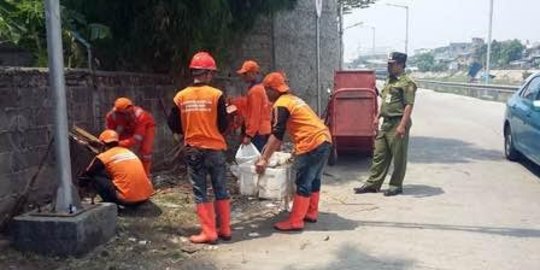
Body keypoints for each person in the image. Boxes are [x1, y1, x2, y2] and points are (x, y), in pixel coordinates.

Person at [255, 72, 332, 231]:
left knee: (303, 181)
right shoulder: (293, 99)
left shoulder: (281, 104)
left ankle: (295, 221)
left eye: (266, 90)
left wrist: (264, 159)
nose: (265, 94)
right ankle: (311, 212)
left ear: (272, 90)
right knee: (314, 179)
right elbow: (280, 135)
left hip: (311, 143)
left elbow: (277, 135)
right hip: (324, 139)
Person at [167, 51, 230, 244]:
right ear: (209, 74)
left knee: (200, 191)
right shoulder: (216, 95)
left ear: (194, 72)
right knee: (221, 188)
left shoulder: (180, 96)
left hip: (194, 149)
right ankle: (225, 229)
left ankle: (209, 232)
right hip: (215, 149)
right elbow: (223, 125)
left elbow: (173, 124)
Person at [353, 52, 417, 196]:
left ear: (400, 65)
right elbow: (386, 101)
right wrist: (377, 116)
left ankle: (396, 185)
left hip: (398, 122)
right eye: (388, 63)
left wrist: (402, 125)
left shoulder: (407, 83)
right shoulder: (390, 80)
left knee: (398, 156)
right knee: (379, 154)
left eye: (392, 64)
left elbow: (409, 105)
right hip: (386, 122)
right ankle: (373, 184)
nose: (389, 66)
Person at [82, 130, 154, 206]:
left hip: (128, 200)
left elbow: (87, 174)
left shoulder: (103, 157)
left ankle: (111, 204)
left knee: (96, 177)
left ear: (103, 144)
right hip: (145, 196)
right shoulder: (127, 151)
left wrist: (81, 186)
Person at [105, 97, 156, 176]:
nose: (129, 113)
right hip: (127, 127)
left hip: (147, 127)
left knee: (146, 151)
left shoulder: (141, 116)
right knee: (119, 150)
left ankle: (146, 175)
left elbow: (137, 138)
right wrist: (111, 142)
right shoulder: (112, 116)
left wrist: (118, 143)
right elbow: (109, 133)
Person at [236, 60, 272, 152]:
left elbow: (254, 115)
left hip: (257, 133)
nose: (243, 76)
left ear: (252, 73)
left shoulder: (255, 91)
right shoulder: (261, 88)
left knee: (255, 160)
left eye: (245, 74)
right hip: (263, 130)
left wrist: (249, 135)